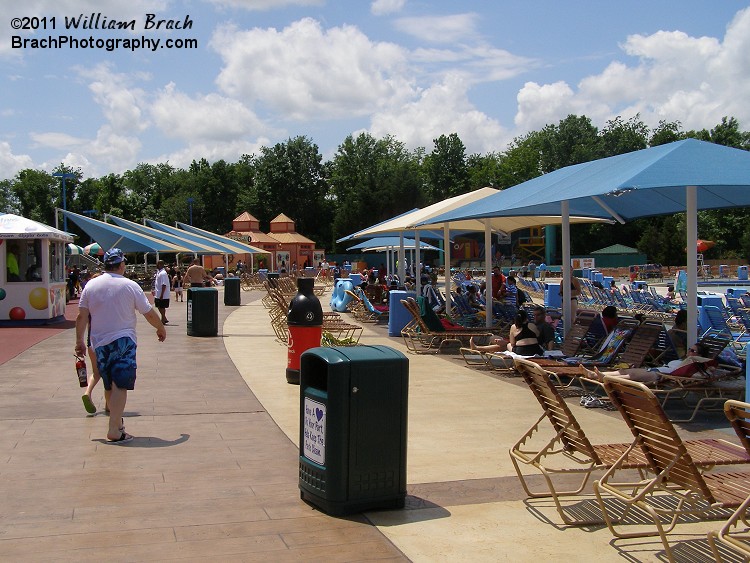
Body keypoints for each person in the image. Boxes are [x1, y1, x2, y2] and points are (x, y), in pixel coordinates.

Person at [75, 248, 166, 444]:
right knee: (120, 385)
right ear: (122, 264)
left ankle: (117, 422)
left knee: (109, 383)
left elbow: (81, 316)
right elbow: (148, 313)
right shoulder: (130, 285)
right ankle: (115, 429)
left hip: (98, 342)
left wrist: (79, 341)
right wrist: (160, 327)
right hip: (123, 340)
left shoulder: (91, 285)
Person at [579, 342, 716, 384]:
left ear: (699, 355)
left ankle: (601, 377)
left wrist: (701, 363)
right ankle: (598, 375)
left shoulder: (695, 365)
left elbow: (705, 374)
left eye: (693, 350)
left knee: (632, 375)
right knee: (627, 372)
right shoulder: (682, 361)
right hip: (658, 371)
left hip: (662, 376)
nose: (689, 352)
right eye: (689, 349)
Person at [154, 260, 171, 324]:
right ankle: (164, 318)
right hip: (158, 292)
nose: (156, 265)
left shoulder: (163, 273)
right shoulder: (159, 272)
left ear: (160, 264)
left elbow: (164, 285)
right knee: (159, 306)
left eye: (157, 264)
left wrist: (162, 294)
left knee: (161, 306)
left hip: (162, 293)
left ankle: (163, 318)